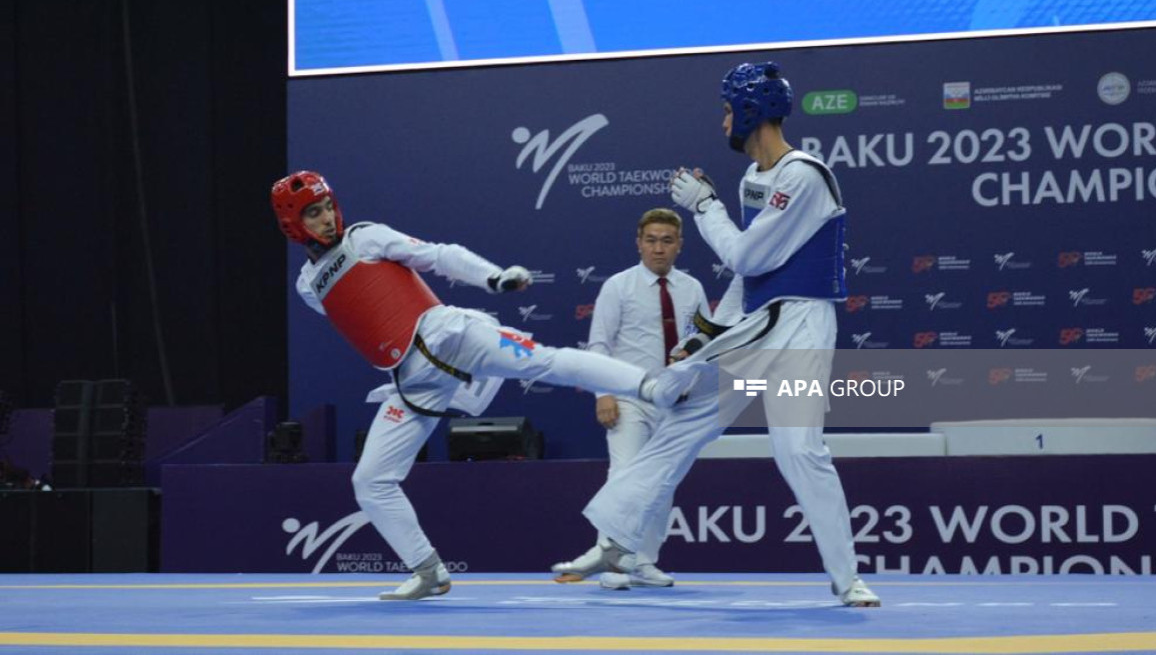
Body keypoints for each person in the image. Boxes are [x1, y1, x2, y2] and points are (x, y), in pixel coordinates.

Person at [553, 62, 880, 607]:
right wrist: (703, 335)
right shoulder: (754, 179)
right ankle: (616, 540)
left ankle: (847, 578)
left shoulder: (806, 174)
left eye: (728, 109)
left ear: (751, 110)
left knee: (799, 449)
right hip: (754, 325)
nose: (723, 120)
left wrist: (705, 206)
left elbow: (744, 252)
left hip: (800, 327)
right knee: (681, 424)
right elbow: (749, 275)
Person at [271, 171, 659, 601]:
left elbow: (439, 255)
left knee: (546, 362)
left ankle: (646, 384)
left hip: (451, 338)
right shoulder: (308, 286)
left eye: (327, 207)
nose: (327, 218)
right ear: (292, 224)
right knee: (371, 480)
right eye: (313, 213)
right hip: (412, 384)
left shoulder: (365, 237)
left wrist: (494, 278)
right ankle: (428, 571)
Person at [551, 209, 707, 588]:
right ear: (638, 243)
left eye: (667, 241)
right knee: (624, 476)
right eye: (651, 240)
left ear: (679, 246)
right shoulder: (618, 287)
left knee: (663, 482)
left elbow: (704, 343)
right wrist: (603, 393)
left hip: (676, 402)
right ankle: (611, 559)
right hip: (629, 396)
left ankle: (642, 562)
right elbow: (599, 343)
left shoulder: (693, 289)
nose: (658, 248)